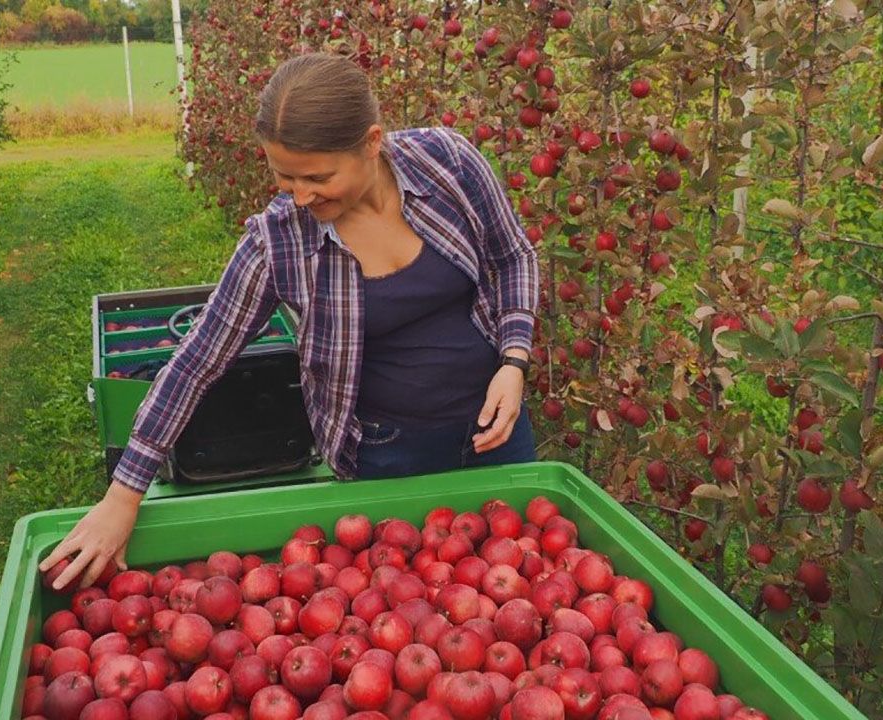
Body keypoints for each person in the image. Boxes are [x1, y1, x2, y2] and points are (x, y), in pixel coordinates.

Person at [39, 52, 540, 590]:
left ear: (372, 143)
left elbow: (512, 256)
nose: (300, 196)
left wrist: (513, 360)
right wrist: (123, 495)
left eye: (318, 176)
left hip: (497, 431)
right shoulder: (277, 242)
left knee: (515, 589)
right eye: (283, 177)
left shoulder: (448, 163)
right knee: (413, 601)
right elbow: (196, 363)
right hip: (389, 453)